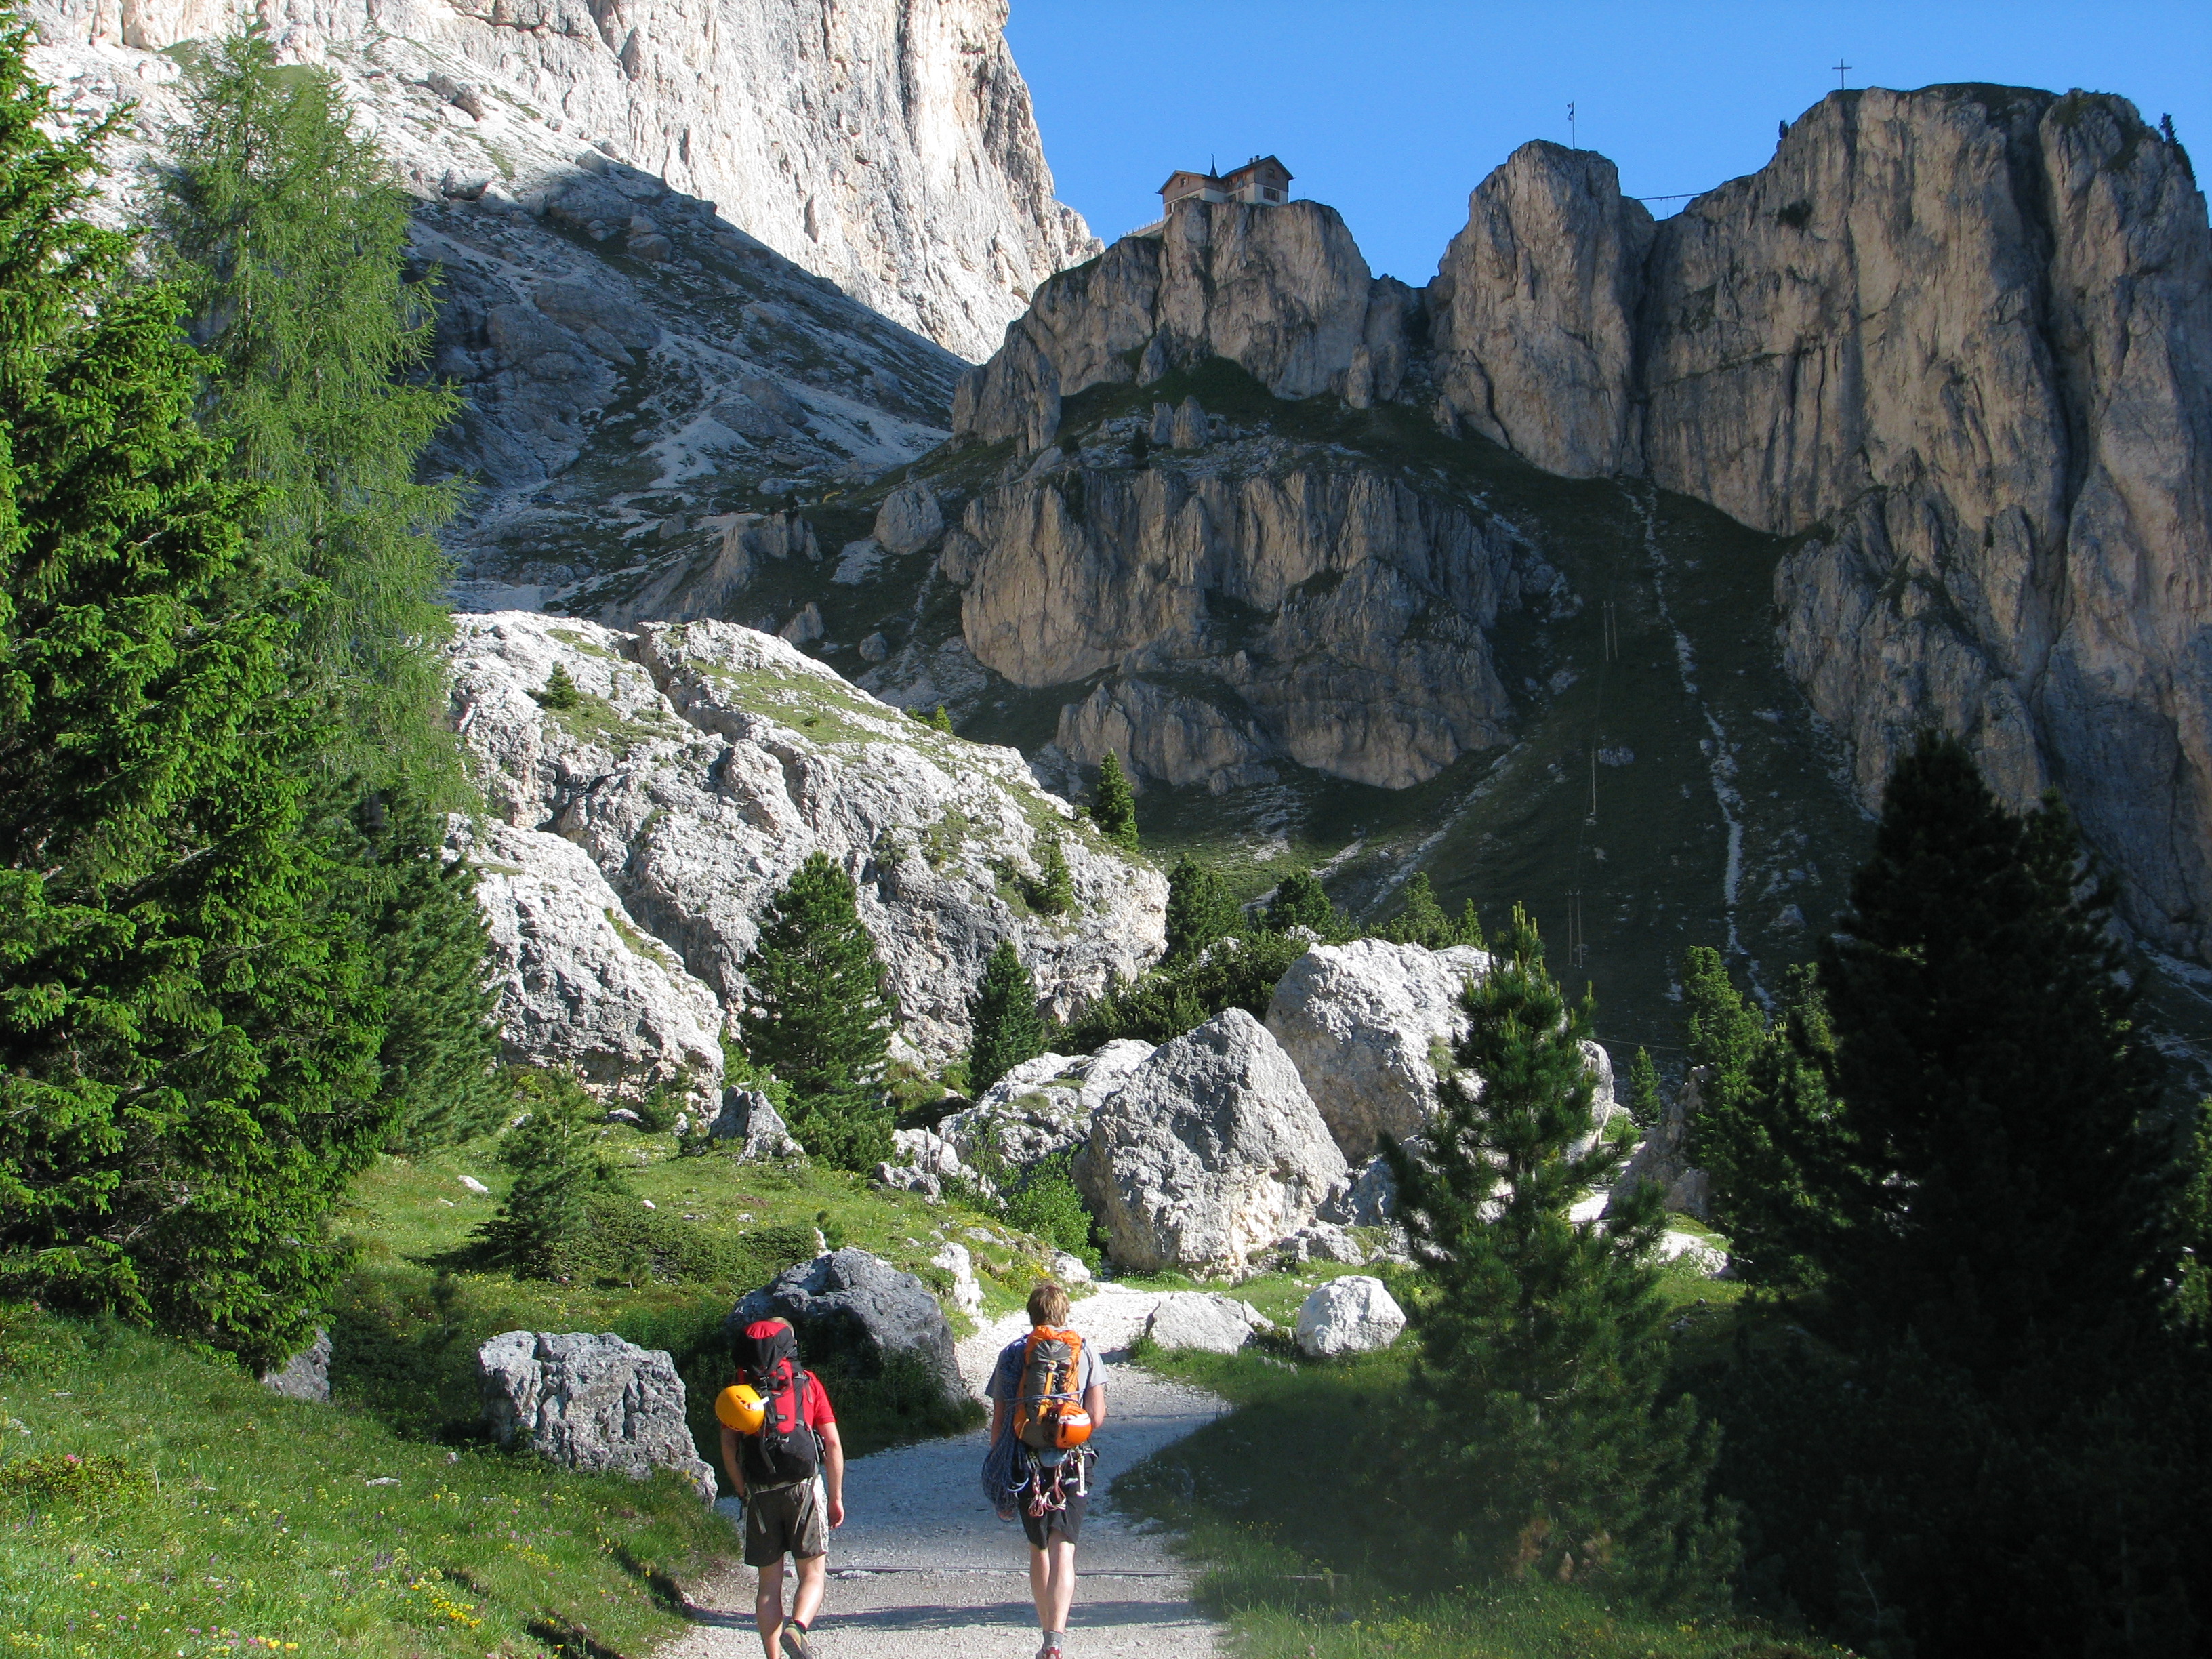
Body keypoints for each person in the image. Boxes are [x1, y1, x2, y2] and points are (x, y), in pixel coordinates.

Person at [986, 1280, 1107, 1659]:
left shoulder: (1012, 1354)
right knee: (1064, 1549)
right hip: (1073, 1461)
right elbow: (1098, 1416)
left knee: (1038, 1548)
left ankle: (1043, 1637)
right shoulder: (1084, 1350)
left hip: (1027, 1462)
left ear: (1031, 1313)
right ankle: (1057, 1639)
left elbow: (1001, 1420)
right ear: (1064, 1312)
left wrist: (999, 1470)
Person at [720, 1317, 846, 1659]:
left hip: (760, 1490)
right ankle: (798, 1628)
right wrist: (835, 1498)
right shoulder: (806, 1382)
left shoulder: (739, 1389)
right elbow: (832, 1444)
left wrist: (743, 1490)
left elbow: (729, 1447)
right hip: (803, 1486)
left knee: (768, 1585)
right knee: (813, 1574)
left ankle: (773, 1657)